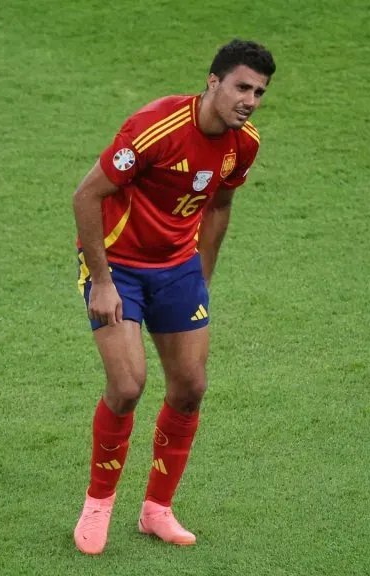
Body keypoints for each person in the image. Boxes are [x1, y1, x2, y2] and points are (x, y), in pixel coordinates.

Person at [70, 39, 276, 555]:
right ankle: (98, 505)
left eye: (260, 91)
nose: (250, 99)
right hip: (119, 265)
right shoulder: (155, 127)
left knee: (190, 386)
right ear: (213, 82)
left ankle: (156, 510)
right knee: (128, 384)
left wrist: (200, 276)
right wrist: (101, 280)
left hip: (177, 268)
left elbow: (220, 204)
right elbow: (86, 195)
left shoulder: (244, 142)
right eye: (241, 86)